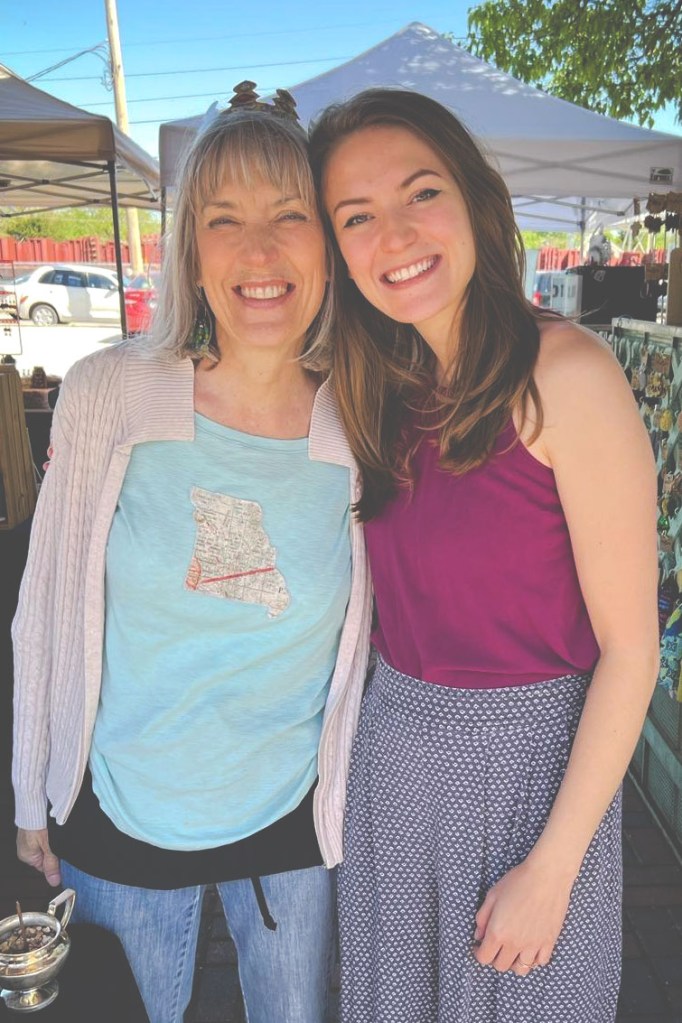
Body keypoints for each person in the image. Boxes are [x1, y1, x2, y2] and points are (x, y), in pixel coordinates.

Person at [12, 83, 372, 1023]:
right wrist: (29, 793)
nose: (259, 250)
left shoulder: (365, 417)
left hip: (293, 820)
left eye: (289, 215)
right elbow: (44, 603)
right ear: (191, 253)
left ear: (329, 248)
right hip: (122, 814)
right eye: (224, 220)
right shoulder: (109, 394)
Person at [309, 89, 659, 1023]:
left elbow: (633, 649)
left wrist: (553, 867)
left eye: (421, 193)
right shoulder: (379, 391)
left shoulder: (567, 374)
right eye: (356, 216)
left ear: (474, 200)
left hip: (535, 778)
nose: (394, 234)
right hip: (395, 764)